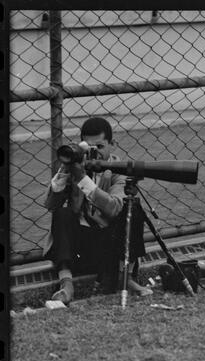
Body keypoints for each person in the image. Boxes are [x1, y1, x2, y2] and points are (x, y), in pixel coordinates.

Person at [43, 117, 153, 304]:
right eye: (90, 149)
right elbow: (51, 205)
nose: (95, 154)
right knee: (62, 214)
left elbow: (115, 208)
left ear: (112, 144)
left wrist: (83, 181)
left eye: (100, 147)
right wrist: (65, 169)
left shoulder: (119, 169)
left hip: (109, 248)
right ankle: (66, 283)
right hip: (80, 249)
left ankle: (125, 278)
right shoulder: (77, 166)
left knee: (133, 209)